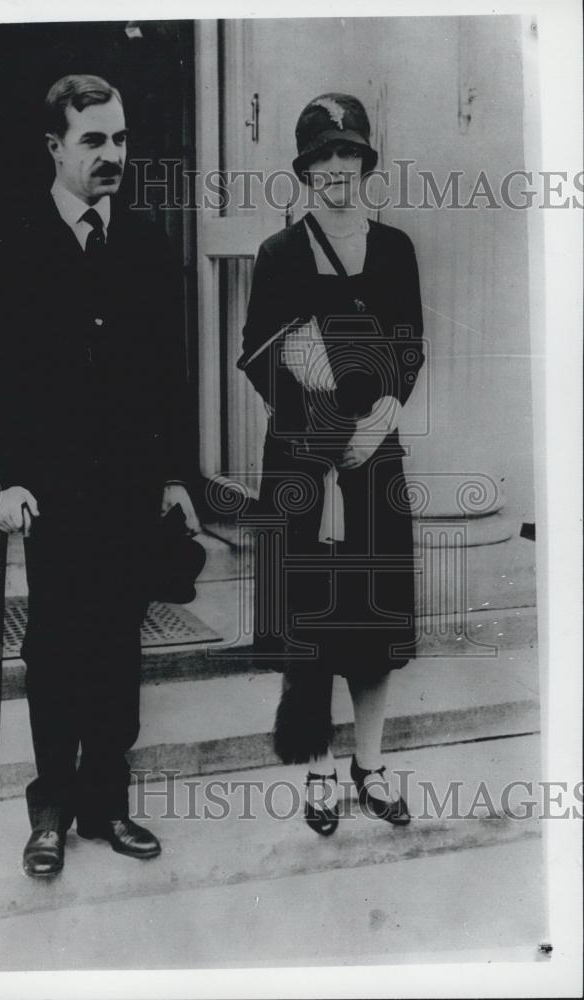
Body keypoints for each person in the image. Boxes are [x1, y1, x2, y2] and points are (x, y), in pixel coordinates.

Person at [0, 74, 199, 875]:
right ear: (55, 145)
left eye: (119, 139)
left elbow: (170, 376)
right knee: (56, 649)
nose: (113, 156)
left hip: (131, 489)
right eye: (93, 141)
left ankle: (107, 806)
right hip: (50, 493)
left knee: (116, 647)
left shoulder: (144, 243)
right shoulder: (13, 241)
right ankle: (52, 812)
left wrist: (177, 477)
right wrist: (3, 480)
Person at [238, 93, 425, 835]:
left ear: (365, 164)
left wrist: (382, 418)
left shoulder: (397, 249)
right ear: (306, 170)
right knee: (310, 625)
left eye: (350, 155)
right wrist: (325, 428)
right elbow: (256, 356)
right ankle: (318, 774)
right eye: (324, 158)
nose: (338, 169)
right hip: (302, 466)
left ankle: (371, 765)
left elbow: (408, 349)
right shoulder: (280, 255)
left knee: (373, 630)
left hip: (374, 460)